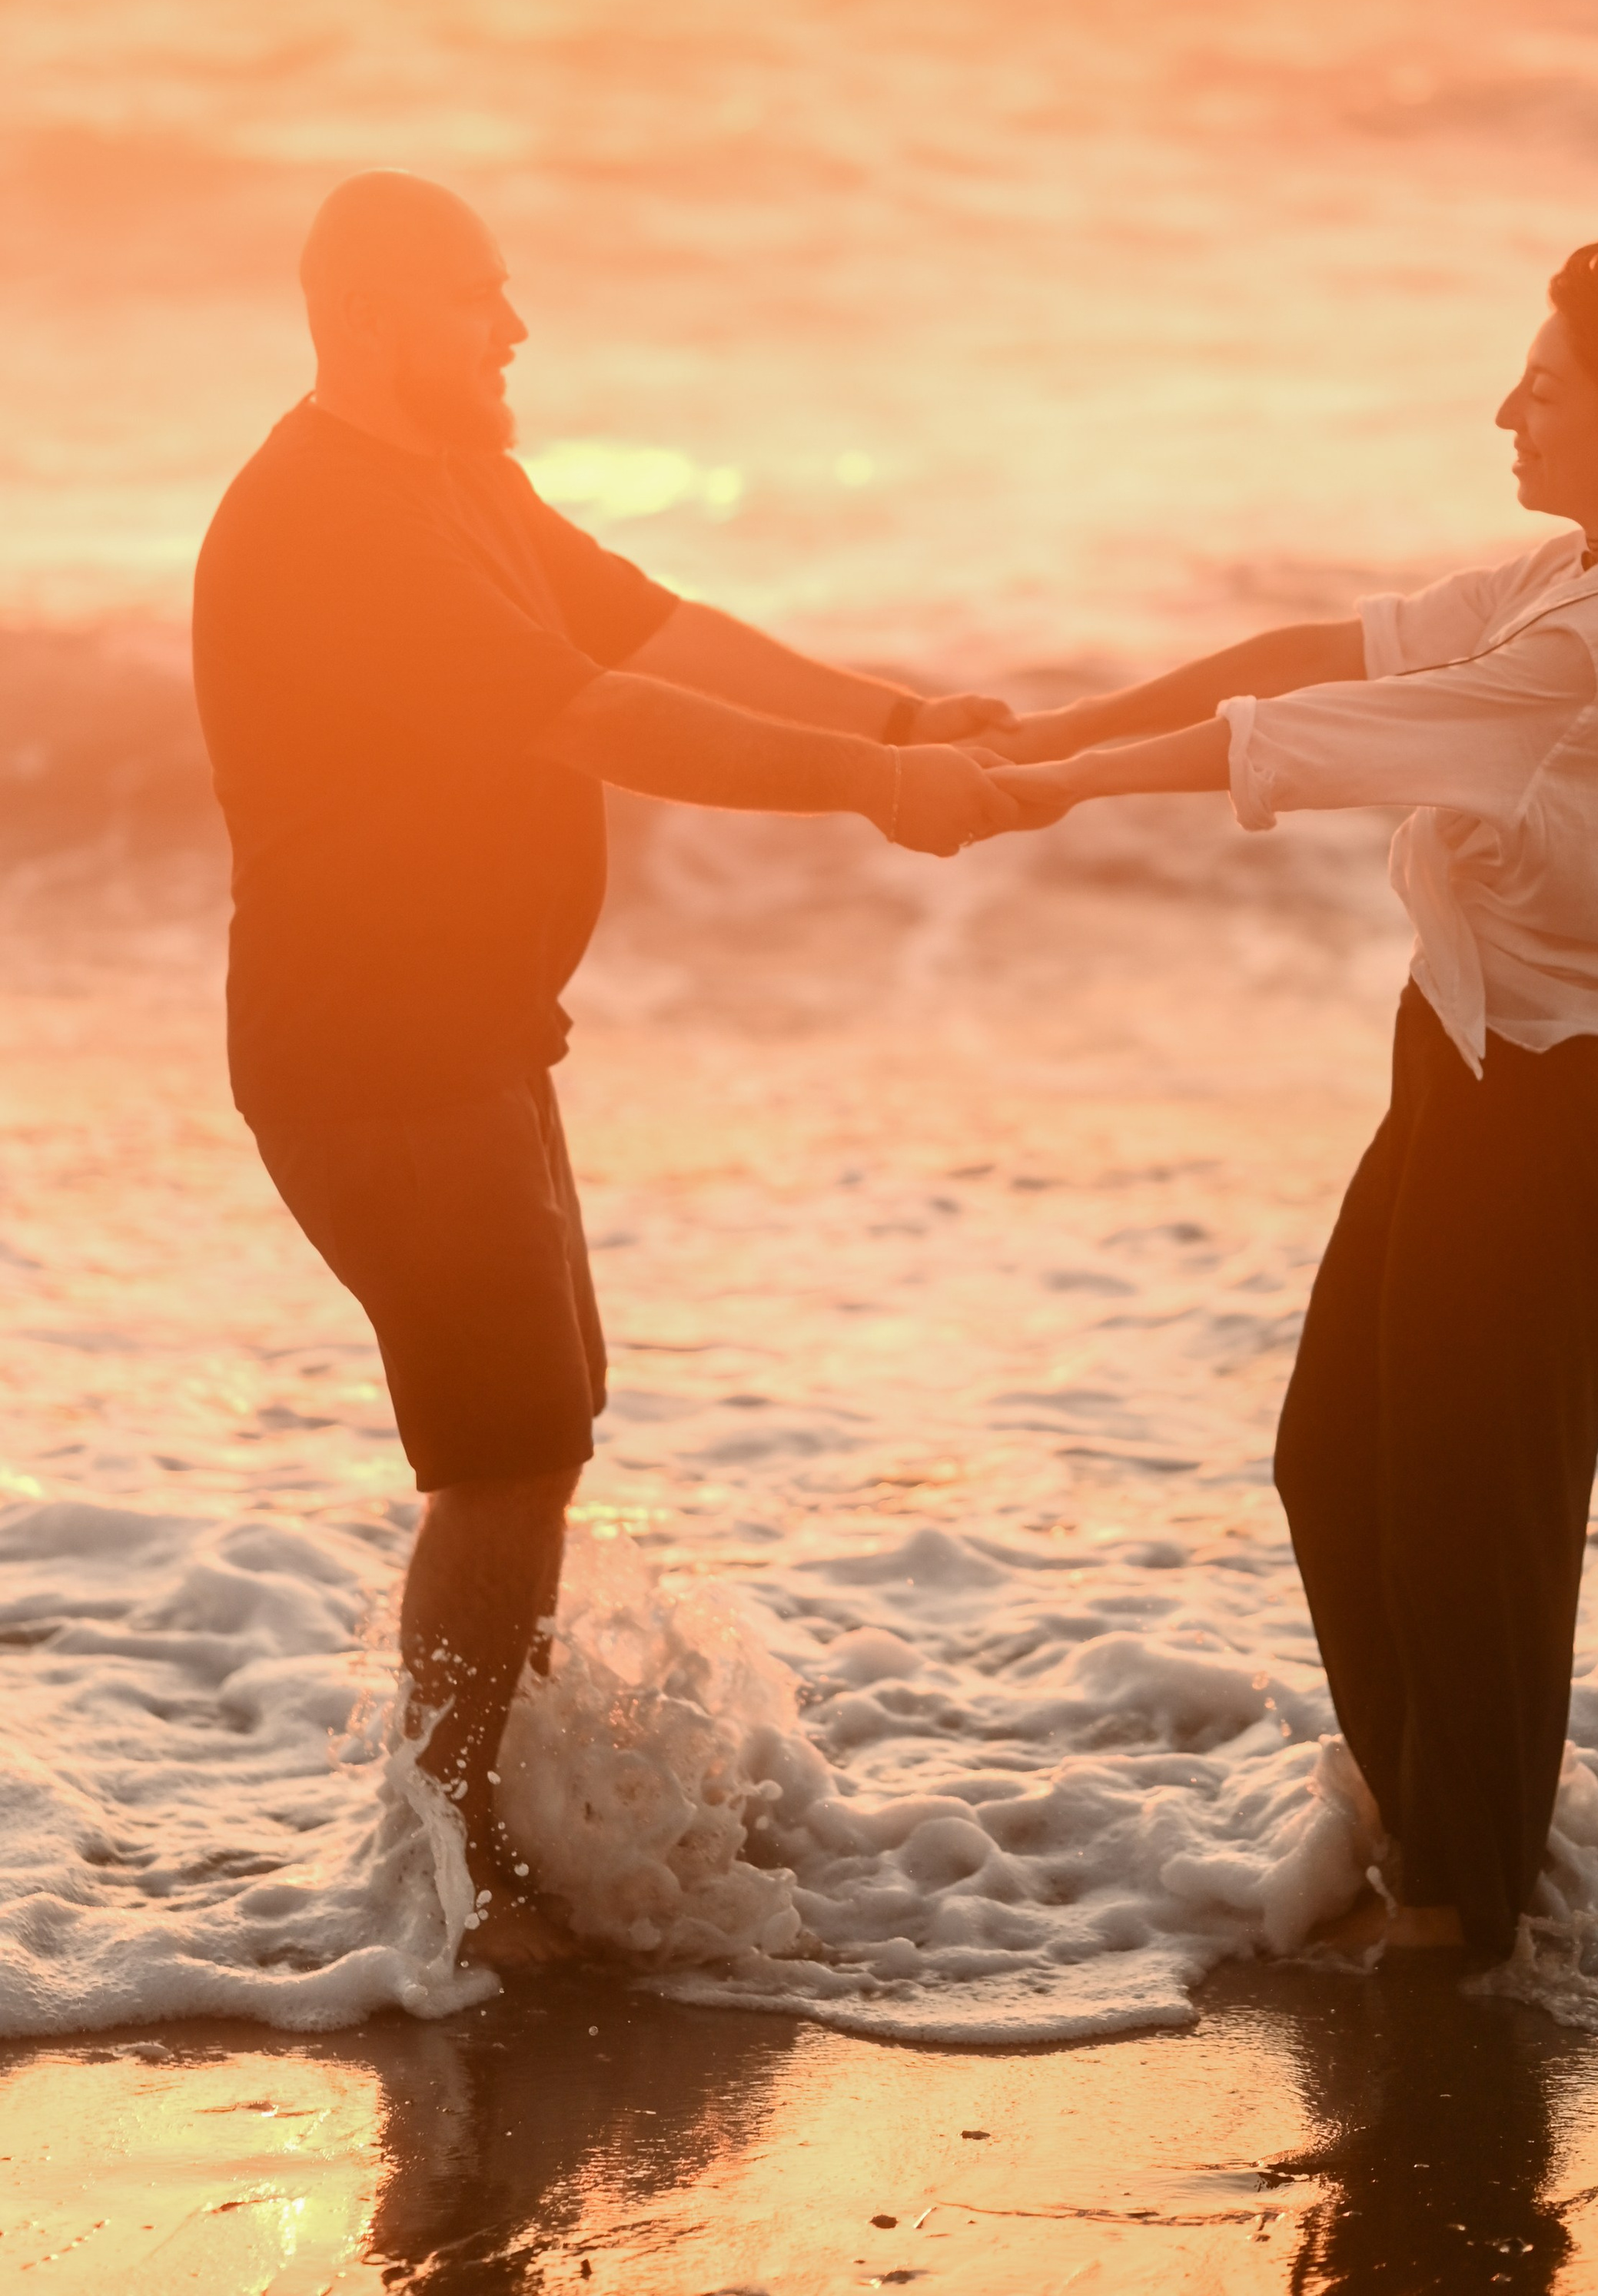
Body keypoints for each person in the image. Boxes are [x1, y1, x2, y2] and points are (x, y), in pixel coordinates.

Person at [193, 171, 1029, 1968]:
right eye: (478, 299)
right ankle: (456, 1877)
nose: (513, 329)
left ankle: (484, 1810)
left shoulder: (458, 481)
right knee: (500, 1449)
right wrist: (870, 792)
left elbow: (653, 631)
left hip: (474, 1037)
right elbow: (600, 716)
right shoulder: (328, 521)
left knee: (540, 1428)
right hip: (375, 1053)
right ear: (374, 316)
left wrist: (889, 714)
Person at [988, 237, 1598, 1962]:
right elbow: (1316, 647)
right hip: (1450, 1079)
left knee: (1467, 1537)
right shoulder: (1568, 580)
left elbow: (1284, 742)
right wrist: (1057, 723)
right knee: (1332, 1468)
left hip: (1527, 1122)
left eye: (1546, 388)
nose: (1505, 408)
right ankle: (1442, 1854)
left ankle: (1460, 1915)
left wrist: (1042, 787)